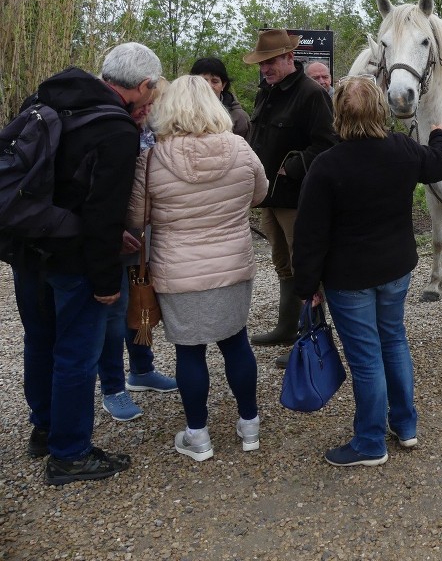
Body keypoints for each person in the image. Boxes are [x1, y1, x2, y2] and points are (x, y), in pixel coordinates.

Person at [9, 42, 161, 485]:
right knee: (77, 353)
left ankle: (45, 428)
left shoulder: (45, 100)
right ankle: (70, 453)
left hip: (28, 248)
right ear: (144, 86)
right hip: (73, 258)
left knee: (40, 341)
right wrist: (105, 282)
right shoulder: (115, 129)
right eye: (152, 93)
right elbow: (103, 215)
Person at [292, 75, 442, 467]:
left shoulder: (326, 166)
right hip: (395, 269)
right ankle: (405, 424)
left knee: (367, 357)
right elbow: (441, 162)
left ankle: (369, 442)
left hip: (349, 280)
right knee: (394, 342)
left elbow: (309, 234)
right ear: (381, 110)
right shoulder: (401, 149)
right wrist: (440, 134)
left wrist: (306, 285)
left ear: (339, 116)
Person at [126, 75, 269, 461]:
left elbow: (137, 218)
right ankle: (250, 424)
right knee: (236, 342)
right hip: (232, 265)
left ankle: (198, 436)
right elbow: (260, 193)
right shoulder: (240, 148)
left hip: (179, 271)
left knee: (190, 353)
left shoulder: (152, 157)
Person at [243, 29, 337, 352]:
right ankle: (287, 327)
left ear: (289, 57)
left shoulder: (312, 94)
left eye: (270, 62)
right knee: (282, 261)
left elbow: (328, 144)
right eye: (262, 63)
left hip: (298, 199)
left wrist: (292, 167)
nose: (265, 69)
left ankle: (310, 339)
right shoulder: (265, 92)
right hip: (269, 196)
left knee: (306, 265)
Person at [97, 95, 177, 423]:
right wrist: (114, 231)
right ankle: (113, 387)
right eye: (144, 105)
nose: (147, 111)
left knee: (142, 303)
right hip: (114, 238)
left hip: (145, 235)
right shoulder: (108, 131)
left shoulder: (153, 133)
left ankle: (142, 369)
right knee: (114, 314)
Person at [189, 57, 250, 137]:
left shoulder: (238, 117)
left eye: (215, 81)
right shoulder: (180, 112)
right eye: (203, 81)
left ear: (223, 85)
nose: (209, 86)